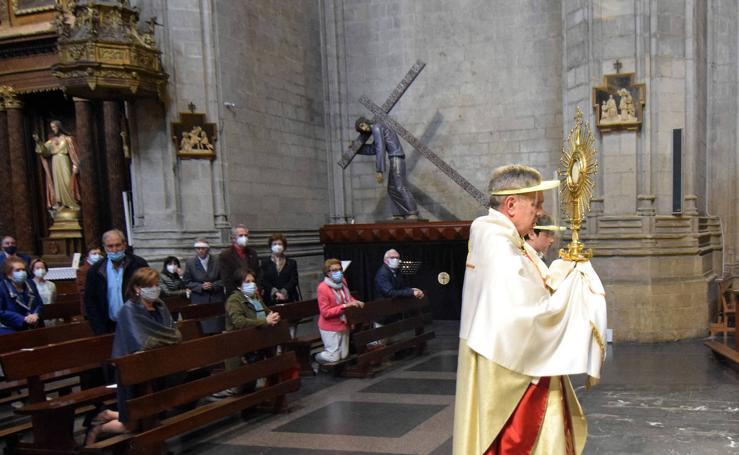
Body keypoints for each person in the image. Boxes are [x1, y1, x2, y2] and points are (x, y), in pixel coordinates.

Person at [454, 164, 607, 454]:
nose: (539, 213)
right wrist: (574, 299)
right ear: (511, 204)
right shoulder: (497, 244)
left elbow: (536, 284)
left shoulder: (508, 241)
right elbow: (526, 314)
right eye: (535, 204)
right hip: (513, 371)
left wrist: (565, 270)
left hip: (515, 359)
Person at [84, 267, 181, 445]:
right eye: (150, 285)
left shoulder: (160, 306)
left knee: (149, 415)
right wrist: (161, 340)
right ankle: (98, 428)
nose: (155, 289)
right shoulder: (129, 310)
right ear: (137, 288)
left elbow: (174, 334)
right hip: (133, 370)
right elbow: (142, 342)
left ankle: (108, 415)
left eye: (157, 285)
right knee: (132, 425)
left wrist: (159, 341)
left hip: (159, 364)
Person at [215, 268, 281, 398]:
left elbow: (267, 312)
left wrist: (274, 316)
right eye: (247, 282)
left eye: (253, 281)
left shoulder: (255, 297)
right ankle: (236, 390)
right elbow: (239, 322)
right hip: (241, 345)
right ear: (239, 285)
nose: (252, 284)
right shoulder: (234, 300)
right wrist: (265, 321)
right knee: (243, 386)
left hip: (259, 341)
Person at [84, 229, 149, 335]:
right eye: (110, 246)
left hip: (136, 323)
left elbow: (148, 289)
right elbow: (90, 300)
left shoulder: (138, 264)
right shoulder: (96, 270)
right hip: (109, 325)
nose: (114, 250)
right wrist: (99, 329)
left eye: (118, 245)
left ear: (125, 245)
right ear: (104, 247)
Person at [355, 117, 419, 220]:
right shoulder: (379, 126)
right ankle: (398, 213)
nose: (364, 129)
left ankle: (412, 212)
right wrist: (358, 149)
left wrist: (379, 170)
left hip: (396, 157)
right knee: (392, 188)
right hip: (394, 157)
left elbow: (380, 148)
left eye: (362, 125)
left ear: (366, 122)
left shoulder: (376, 127)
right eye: (361, 129)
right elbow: (375, 149)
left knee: (400, 186)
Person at [314, 259, 364, 365]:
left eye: (340, 269)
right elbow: (325, 313)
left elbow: (348, 298)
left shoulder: (343, 282)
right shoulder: (323, 288)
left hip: (343, 323)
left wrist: (355, 301)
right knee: (334, 357)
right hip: (330, 326)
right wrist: (345, 306)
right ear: (328, 273)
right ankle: (315, 357)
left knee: (344, 355)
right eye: (334, 270)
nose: (338, 272)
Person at [32, 120, 81, 210]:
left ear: (59, 127)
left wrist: (75, 164)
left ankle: (71, 202)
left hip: (64, 160)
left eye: (54, 127)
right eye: (52, 127)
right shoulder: (51, 141)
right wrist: (38, 141)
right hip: (55, 162)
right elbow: (44, 151)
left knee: (67, 181)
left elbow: (74, 152)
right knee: (57, 183)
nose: (53, 129)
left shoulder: (67, 139)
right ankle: (61, 203)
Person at [184, 239, 224, 333]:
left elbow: (224, 279)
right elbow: (187, 282)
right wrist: (200, 286)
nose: (200, 251)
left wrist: (213, 285)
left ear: (208, 249)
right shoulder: (190, 263)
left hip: (216, 297)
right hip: (200, 299)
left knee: (218, 327)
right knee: (203, 328)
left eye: (203, 248)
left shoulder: (217, 260)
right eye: (198, 248)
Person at [0, 257, 42, 334]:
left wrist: (36, 314)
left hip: (34, 324)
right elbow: (1, 311)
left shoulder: (30, 284)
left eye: (23, 269)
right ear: (9, 274)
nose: (22, 272)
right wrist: (23, 318)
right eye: (17, 270)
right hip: (10, 328)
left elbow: (39, 303)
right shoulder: (2, 287)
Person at [219, 224, 261, 296]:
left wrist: (257, 288)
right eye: (241, 235)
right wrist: (241, 292)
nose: (244, 238)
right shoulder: (225, 256)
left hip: (254, 293)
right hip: (236, 295)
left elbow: (258, 273)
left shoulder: (253, 253)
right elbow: (226, 280)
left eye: (246, 235)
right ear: (233, 238)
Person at [261, 233, 300, 305]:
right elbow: (263, 281)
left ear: (284, 247)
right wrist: (275, 292)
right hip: (270, 300)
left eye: (280, 244)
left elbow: (294, 280)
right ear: (270, 246)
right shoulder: (265, 263)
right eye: (274, 244)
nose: (277, 246)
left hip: (289, 298)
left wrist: (283, 291)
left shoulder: (291, 263)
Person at [77, 246, 103, 316]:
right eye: (94, 254)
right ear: (88, 256)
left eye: (99, 254)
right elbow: (83, 289)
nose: (97, 256)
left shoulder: (103, 267)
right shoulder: (82, 270)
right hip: (91, 306)